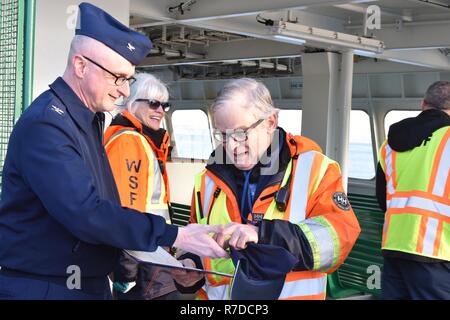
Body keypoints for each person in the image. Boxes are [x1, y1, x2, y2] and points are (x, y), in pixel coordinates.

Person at [0, 2, 226, 300]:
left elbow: (105, 202)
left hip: (82, 282)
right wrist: (176, 234)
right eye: (117, 77)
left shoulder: (86, 119)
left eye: (128, 79)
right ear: (81, 65)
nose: (123, 90)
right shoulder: (47, 125)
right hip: (46, 286)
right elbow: (86, 212)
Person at [172, 78, 361, 300]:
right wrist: (190, 265)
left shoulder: (315, 169)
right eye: (222, 135)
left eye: (241, 133)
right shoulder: (207, 180)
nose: (231, 145)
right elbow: (198, 236)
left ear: (270, 122)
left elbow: (340, 238)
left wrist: (263, 235)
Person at [104, 73, 179, 300]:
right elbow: (128, 208)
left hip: (150, 254)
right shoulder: (130, 141)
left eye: (164, 105)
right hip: (145, 262)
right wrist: (126, 272)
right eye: (153, 103)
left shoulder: (134, 139)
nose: (160, 110)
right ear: (131, 103)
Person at [376, 81, 450, 300]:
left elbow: (383, 200)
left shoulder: (389, 144)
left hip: (394, 248)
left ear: (423, 104)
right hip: (437, 253)